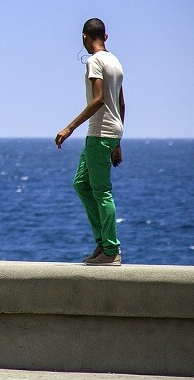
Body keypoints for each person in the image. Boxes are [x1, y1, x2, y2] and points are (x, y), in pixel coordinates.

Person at [55, 18, 125, 266]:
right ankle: (102, 242)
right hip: (112, 132)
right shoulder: (115, 61)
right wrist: (118, 142)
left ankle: (111, 249)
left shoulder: (95, 61)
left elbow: (98, 100)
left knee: (102, 192)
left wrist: (69, 127)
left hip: (99, 133)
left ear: (85, 37)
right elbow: (121, 103)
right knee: (81, 183)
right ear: (105, 36)